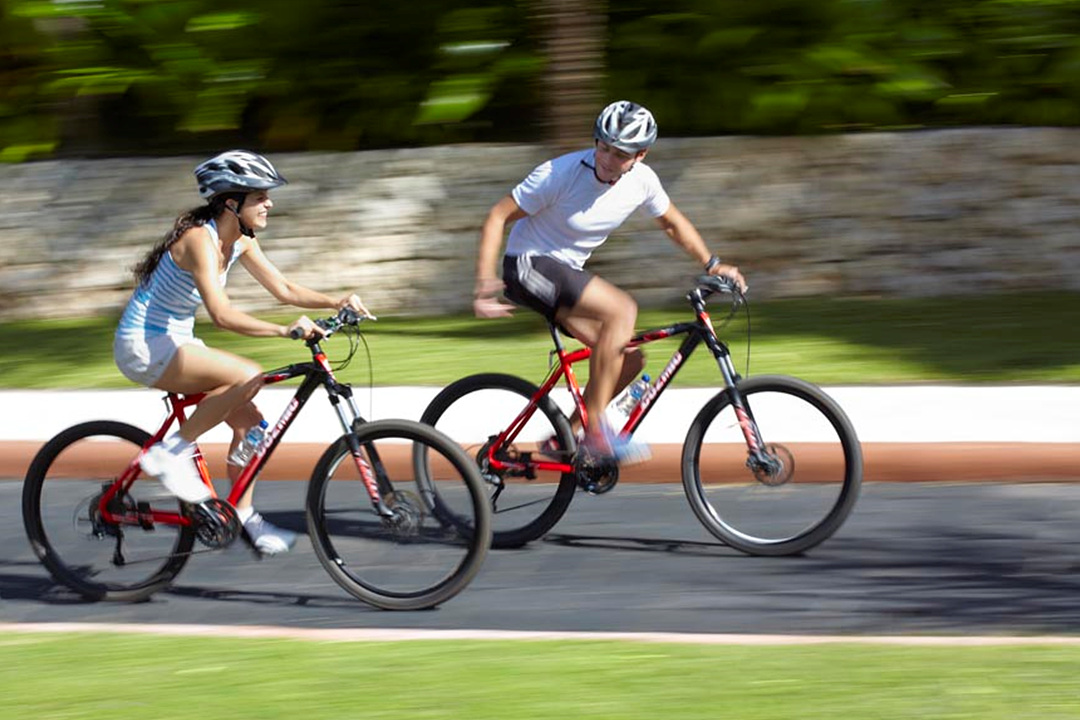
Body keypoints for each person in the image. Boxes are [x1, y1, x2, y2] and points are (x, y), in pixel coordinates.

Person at [114, 150, 373, 555]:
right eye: (259, 197)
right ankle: (172, 452)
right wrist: (283, 330)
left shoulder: (241, 242)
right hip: (143, 344)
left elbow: (285, 290)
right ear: (231, 203)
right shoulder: (200, 239)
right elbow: (221, 314)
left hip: (177, 341)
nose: (268, 203)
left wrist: (336, 300)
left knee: (252, 426)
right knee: (246, 374)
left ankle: (245, 516)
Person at [473, 100, 747, 464]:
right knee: (623, 309)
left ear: (640, 155)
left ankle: (567, 436)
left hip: (563, 275)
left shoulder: (643, 182)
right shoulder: (560, 173)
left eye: (620, 154)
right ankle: (598, 432)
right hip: (528, 264)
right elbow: (497, 215)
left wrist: (712, 264)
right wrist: (484, 283)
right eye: (603, 146)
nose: (606, 159)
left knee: (629, 360)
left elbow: (671, 222)